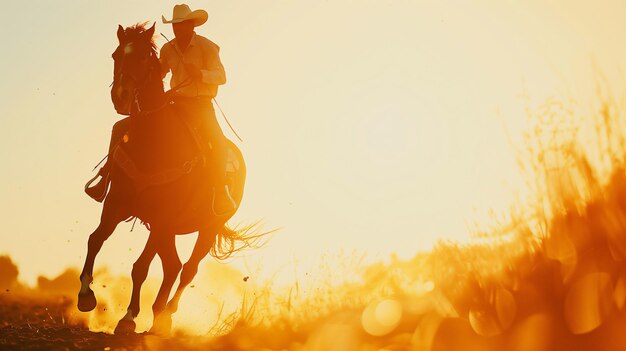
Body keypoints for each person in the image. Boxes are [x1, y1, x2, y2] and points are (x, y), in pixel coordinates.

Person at [85, 4, 236, 216]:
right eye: (175, 25)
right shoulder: (168, 49)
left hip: (201, 106)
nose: (177, 29)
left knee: (218, 142)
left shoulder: (207, 47)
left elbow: (221, 76)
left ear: (191, 25)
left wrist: (200, 74)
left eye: (181, 25)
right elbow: (159, 72)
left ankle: (220, 191)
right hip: (176, 103)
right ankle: (105, 178)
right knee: (120, 127)